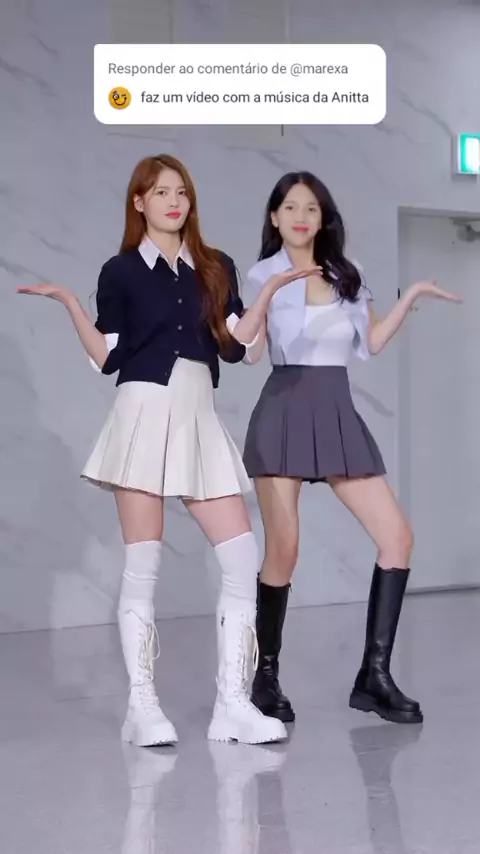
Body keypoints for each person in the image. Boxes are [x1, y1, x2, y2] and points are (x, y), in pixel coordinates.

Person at [16, 154, 288, 748]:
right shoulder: (120, 271)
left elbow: (237, 347)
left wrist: (265, 299)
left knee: (241, 557)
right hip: (141, 413)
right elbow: (106, 357)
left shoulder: (215, 266)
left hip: (198, 415)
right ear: (139, 202)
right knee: (143, 566)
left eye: (181, 192)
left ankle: (233, 705)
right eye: (161, 192)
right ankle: (141, 707)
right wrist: (70, 302)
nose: (174, 201)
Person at [228, 171, 462, 725]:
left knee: (397, 538)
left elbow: (371, 343)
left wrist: (412, 296)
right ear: (275, 218)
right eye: (290, 207)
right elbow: (249, 351)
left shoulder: (345, 274)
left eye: (311, 208)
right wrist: (267, 294)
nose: (301, 216)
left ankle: (373, 678)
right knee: (284, 550)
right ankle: (264, 677)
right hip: (284, 408)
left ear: (323, 218)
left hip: (335, 409)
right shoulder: (261, 274)